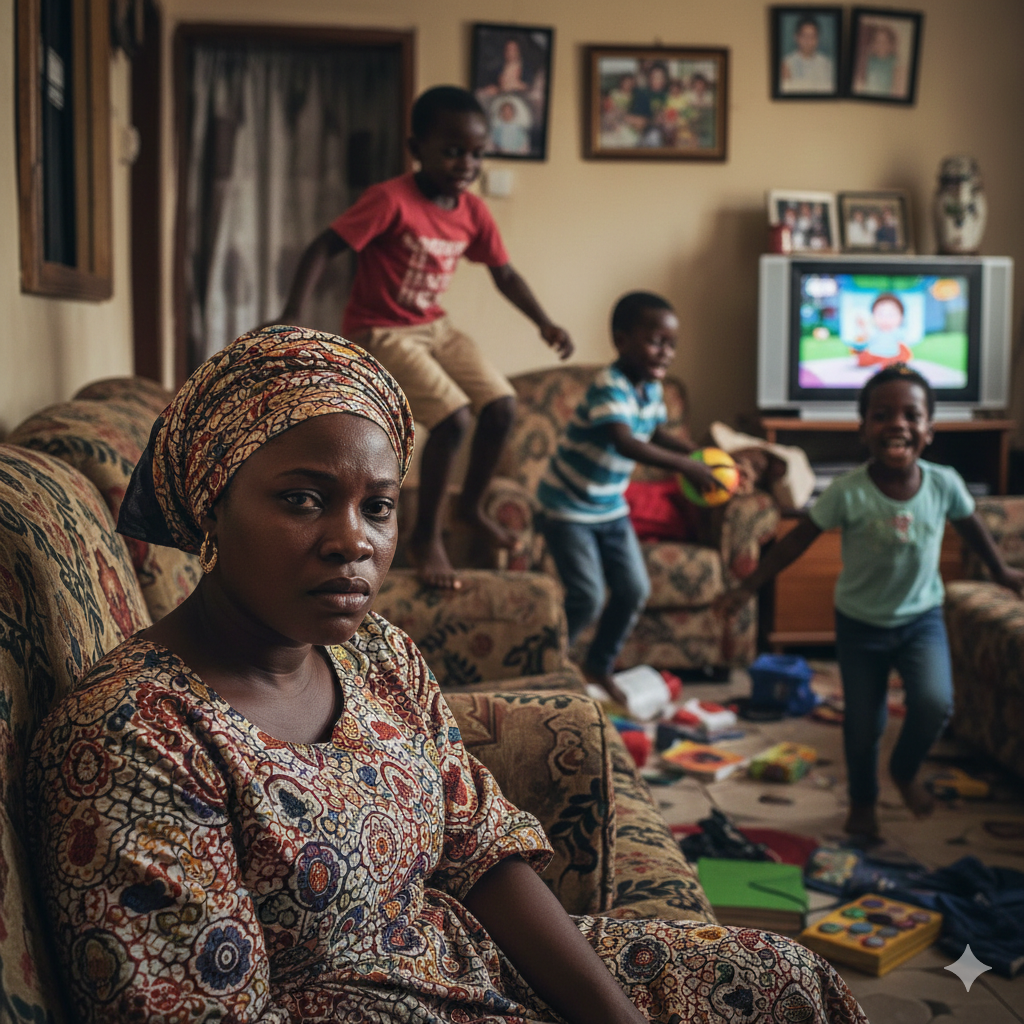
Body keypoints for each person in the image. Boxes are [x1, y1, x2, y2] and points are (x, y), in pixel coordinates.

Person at [25, 325, 867, 1024]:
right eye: (303, 499)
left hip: (476, 969)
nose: (354, 541)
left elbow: (481, 849)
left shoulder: (378, 654)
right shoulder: (135, 738)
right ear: (214, 500)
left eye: (378, 506)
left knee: (786, 980)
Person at [272, 85, 573, 590]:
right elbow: (324, 247)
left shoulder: (472, 211)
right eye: (452, 151)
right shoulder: (390, 199)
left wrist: (544, 322)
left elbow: (504, 274)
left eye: (476, 153)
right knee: (454, 419)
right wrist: (291, 313)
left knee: (502, 407)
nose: (465, 164)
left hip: (436, 325)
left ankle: (470, 508)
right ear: (417, 149)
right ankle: (426, 537)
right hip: (382, 328)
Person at [716, 364, 1024, 842]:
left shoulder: (944, 483)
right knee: (862, 725)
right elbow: (796, 541)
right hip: (860, 625)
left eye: (911, 415)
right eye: (882, 415)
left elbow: (972, 526)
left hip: (921, 620)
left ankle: (904, 770)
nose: (897, 423)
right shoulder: (848, 491)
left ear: (929, 430)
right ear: (863, 429)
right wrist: (748, 585)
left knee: (935, 703)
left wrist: (1002, 571)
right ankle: (863, 801)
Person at [535, 293, 726, 700]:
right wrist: (687, 467)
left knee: (634, 590)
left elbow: (654, 432)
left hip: (609, 508)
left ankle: (598, 666)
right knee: (587, 597)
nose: (666, 352)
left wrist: (696, 455)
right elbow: (625, 442)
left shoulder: (651, 388)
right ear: (621, 341)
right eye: (656, 341)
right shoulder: (610, 387)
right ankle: (543, 668)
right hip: (566, 508)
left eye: (671, 344)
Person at [780, 15, 835, 93]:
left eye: (812, 37)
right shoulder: (786, 64)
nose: (808, 41)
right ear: (796, 37)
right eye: (804, 36)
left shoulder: (827, 64)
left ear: (818, 38)